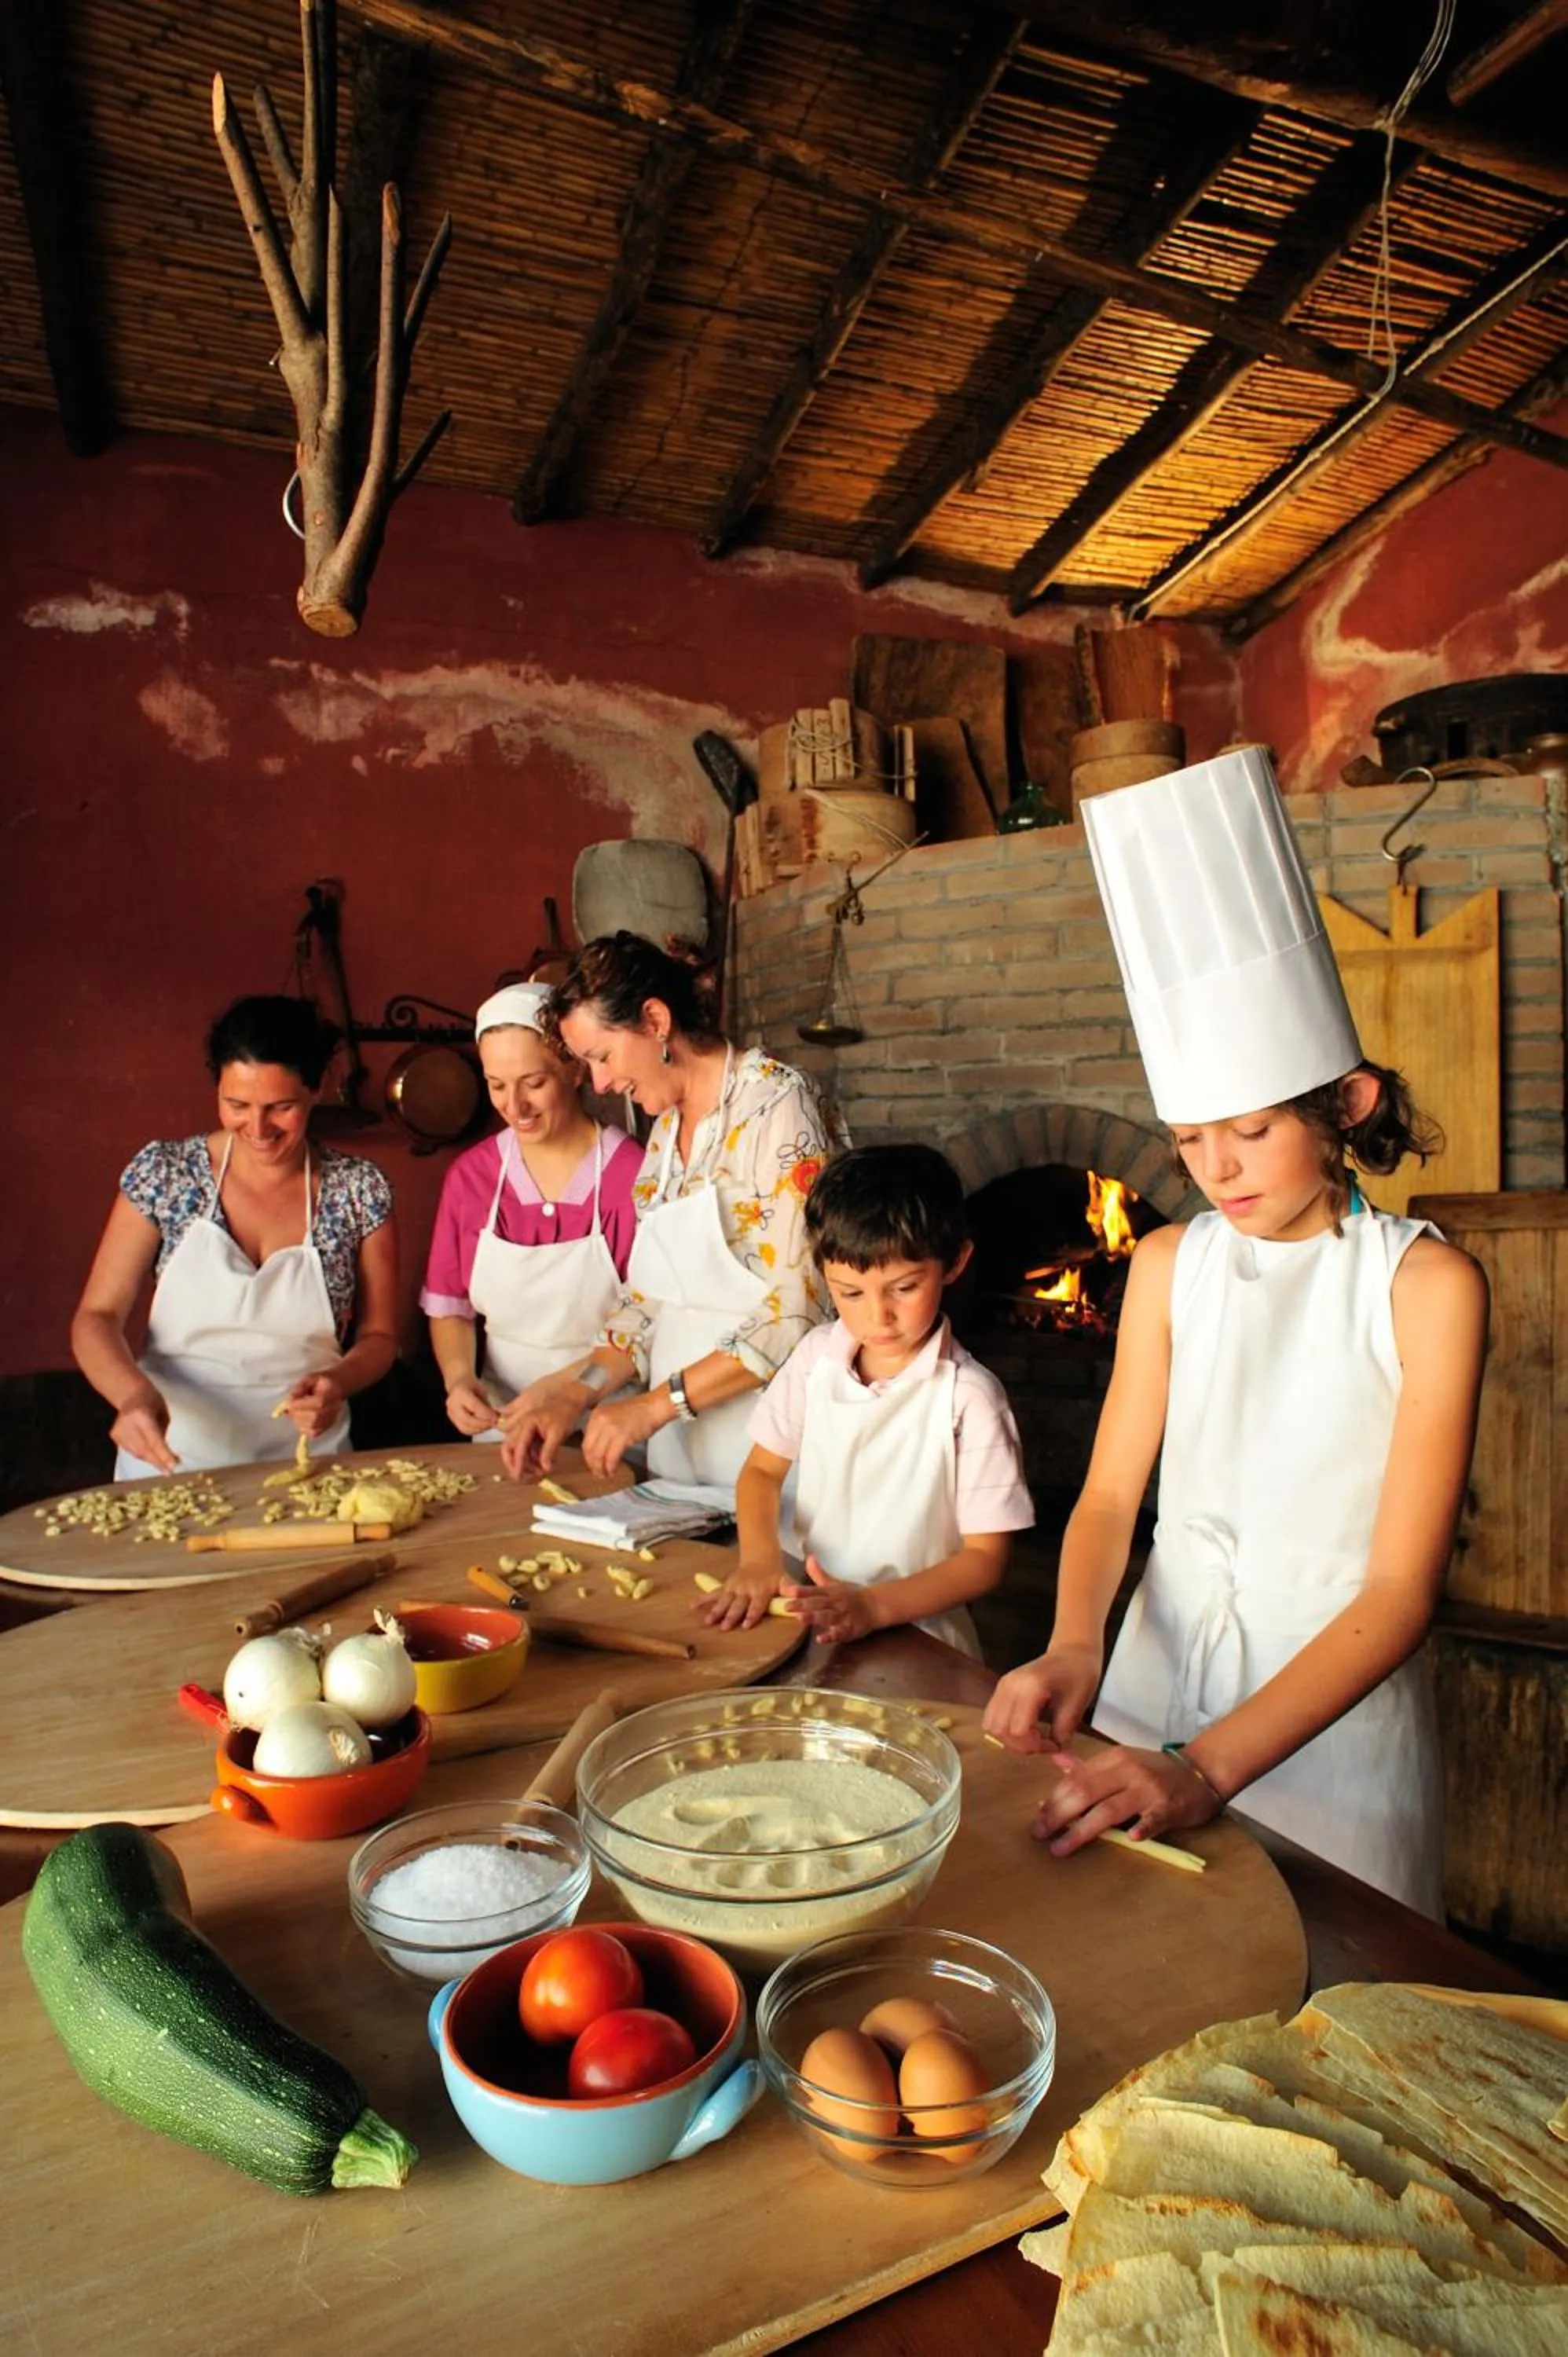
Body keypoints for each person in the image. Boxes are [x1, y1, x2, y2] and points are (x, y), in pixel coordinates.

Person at [983, 749, 1487, 1915]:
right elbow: (1111, 1500)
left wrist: (1208, 1769)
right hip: (1151, 1690)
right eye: (1190, 1138)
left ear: (1344, 1104)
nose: (1216, 1171)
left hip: (1333, 1734)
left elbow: (1400, 1591)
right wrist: (1074, 1644)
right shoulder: (1169, 1263)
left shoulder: (1425, 1288)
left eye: (1251, 1131)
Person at [500, 932, 835, 1494]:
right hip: (681, 1452)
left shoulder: (778, 1105)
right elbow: (650, 1304)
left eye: (601, 1057)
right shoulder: (664, 1134)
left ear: (655, 1020)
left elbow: (800, 1308)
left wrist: (659, 1404)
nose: (601, 1083)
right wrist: (574, 1390)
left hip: (774, 1451)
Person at [703, 1143, 1033, 1655]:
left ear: (954, 1263)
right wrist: (759, 1561)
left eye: (903, 1288)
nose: (878, 1316)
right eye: (851, 1294)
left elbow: (985, 1557)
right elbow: (762, 1472)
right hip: (812, 1619)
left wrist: (874, 1606)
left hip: (921, 1638)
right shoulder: (815, 1359)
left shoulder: (969, 1397)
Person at [71, 995, 398, 1478]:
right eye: (237, 1105)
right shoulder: (166, 1173)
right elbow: (96, 1317)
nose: (258, 1127)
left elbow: (380, 1334)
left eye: (280, 1106)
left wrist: (336, 1382)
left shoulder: (358, 1188)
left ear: (314, 1090)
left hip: (310, 1464)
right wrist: (133, 1396)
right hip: (169, 1462)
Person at [421, 984, 643, 1439]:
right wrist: (460, 1379)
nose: (514, 1106)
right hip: (500, 1430)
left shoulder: (633, 1176)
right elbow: (450, 1307)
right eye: (496, 1085)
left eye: (534, 1083)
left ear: (575, 1069)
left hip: (609, 1431)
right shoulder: (471, 1179)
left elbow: (650, 1326)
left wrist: (573, 1392)